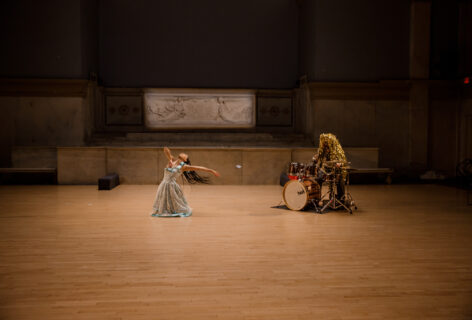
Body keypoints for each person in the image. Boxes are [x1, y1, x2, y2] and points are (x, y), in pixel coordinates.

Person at [151, 147, 220, 217]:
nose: (184, 154)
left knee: (174, 201)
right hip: (164, 184)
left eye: (185, 155)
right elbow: (166, 151)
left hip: (172, 185)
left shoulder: (184, 166)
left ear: (185, 159)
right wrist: (168, 155)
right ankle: (165, 210)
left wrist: (211, 170)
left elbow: (198, 168)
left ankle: (173, 210)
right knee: (163, 199)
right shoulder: (172, 160)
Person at [313, 133, 347, 201]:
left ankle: (341, 199)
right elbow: (318, 159)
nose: (325, 145)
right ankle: (316, 197)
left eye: (327, 143)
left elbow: (343, 161)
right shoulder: (322, 150)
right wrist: (315, 158)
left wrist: (339, 164)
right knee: (318, 179)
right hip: (325, 171)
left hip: (335, 171)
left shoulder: (337, 150)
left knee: (340, 180)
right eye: (324, 143)